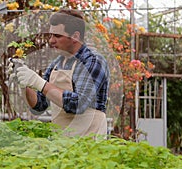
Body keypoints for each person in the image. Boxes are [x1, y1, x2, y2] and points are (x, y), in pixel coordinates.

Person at [10, 9, 110, 137]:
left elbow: (79, 104)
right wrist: (24, 84)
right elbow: (39, 105)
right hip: (62, 142)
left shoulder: (93, 61)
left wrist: (39, 82)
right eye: (51, 35)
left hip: (90, 142)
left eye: (57, 36)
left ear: (75, 36)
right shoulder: (57, 63)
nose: (51, 41)